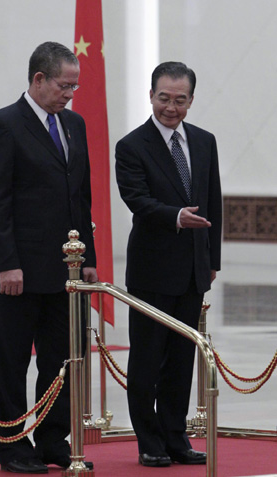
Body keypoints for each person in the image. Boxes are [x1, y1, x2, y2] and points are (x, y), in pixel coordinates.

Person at [0, 41, 98, 474]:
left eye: (75, 87)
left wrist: (90, 259)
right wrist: (8, 262)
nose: (70, 95)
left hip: (65, 271)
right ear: (39, 79)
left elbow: (81, 196)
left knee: (61, 359)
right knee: (10, 363)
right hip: (15, 271)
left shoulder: (74, 125)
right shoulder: (3, 125)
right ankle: (13, 446)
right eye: (65, 86)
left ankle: (51, 440)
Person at [115, 61, 222, 467]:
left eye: (180, 100)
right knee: (147, 359)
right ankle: (150, 441)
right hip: (151, 269)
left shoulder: (205, 141)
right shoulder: (131, 146)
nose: (170, 108)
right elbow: (137, 200)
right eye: (164, 98)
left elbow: (213, 200)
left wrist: (211, 257)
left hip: (194, 269)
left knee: (181, 359)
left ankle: (176, 437)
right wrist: (176, 216)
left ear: (191, 100)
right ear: (151, 96)